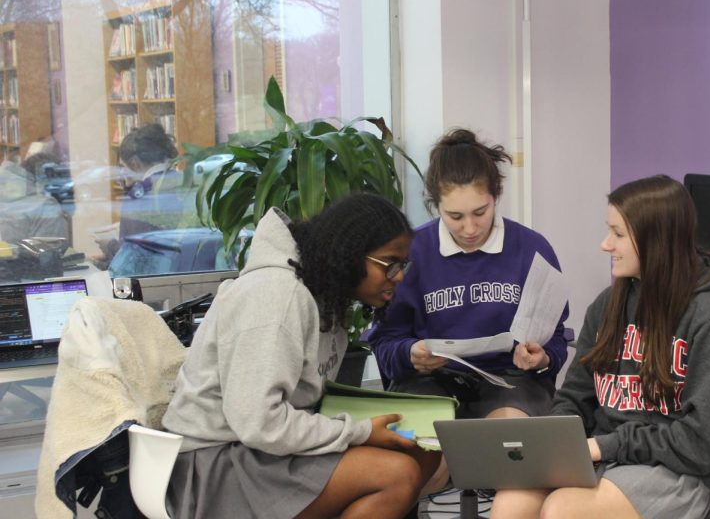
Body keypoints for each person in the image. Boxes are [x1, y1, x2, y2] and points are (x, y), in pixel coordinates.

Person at [491, 175, 710, 519]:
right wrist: (554, 445)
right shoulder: (609, 304)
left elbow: (706, 442)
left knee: (562, 511)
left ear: (655, 240)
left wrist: (604, 446)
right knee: (510, 503)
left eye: (617, 234)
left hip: (687, 471)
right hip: (611, 454)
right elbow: (576, 396)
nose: (605, 244)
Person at [162, 193, 437, 519]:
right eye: (389, 264)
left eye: (402, 264)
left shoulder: (325, 293)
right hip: (215, 465)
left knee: (422, 453)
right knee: (396, 475)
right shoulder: (275, 295)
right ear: (350, 255)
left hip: (262, 451)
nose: (399, 276)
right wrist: (359, 431)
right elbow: (259, 424)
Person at [368, 128, 569, 421]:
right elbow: (385, 341)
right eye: (455, 217)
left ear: (496, 196)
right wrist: (410, 354)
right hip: (429, 381)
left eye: (480, 212)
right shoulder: (412, 251)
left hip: (511, 380)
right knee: (431, 449)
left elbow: (557, 337)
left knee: (505, 440)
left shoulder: (532, 249)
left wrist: (543, 357)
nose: (470, 228)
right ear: (436, 205)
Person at [93, 123, 183, 266]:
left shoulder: (139, 196)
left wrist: (109, 247)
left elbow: (136, 257)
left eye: (123, 167)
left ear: (134, 164)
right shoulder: (187, 182)